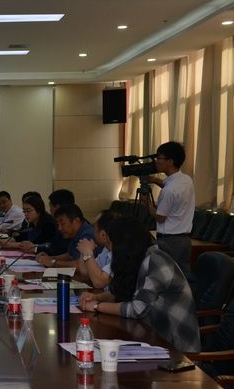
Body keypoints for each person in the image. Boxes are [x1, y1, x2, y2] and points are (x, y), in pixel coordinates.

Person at [79, 216, 200, 353]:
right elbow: (126, 292)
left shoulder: (156, 261)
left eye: (113, 244)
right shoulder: (139, 258)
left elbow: (137, 309)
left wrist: (97, 306)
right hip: (152, 338)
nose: (111, 249)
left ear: (124, 245)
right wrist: (97, 297)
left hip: (175, 346)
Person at [140, 141, 195, 279]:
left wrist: (147, 203)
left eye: (159, 158)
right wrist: (154, 180)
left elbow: (160, 217)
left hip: (169, 242)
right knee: (183, 278)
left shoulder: (168, 191)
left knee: (163, 277)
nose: (156, 161)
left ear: (170, 161)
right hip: (185, 240)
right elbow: (168, 185)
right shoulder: (186, 180)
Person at [36, 204, 98, 269]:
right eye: (58, 224)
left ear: (76, 221)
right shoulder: (75, 233)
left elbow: (81, 265)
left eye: (62, 224)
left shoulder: (87, 235)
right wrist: (49, 258)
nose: (59, 228)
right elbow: (70, 255)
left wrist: (53, 262)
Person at [18, 188, 75, 255]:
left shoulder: (49, 224)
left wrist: (35, 248)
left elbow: (59, 248)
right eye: (24, 211)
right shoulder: (30, 223)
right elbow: (54, 244)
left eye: (28, 211)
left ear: (57, 207)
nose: (50, 210)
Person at [76, 210, 115, 290]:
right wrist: (83, 252)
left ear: (103, 234)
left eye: (94, 228)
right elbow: (85, 274)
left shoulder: (119, 251)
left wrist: (88, 253)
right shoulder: (106, 249)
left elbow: (99, 282)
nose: (92, 231)